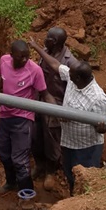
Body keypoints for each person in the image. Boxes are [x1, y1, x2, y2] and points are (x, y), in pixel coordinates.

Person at [29, 38, 106, 196]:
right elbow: (55, 65)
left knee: (85, 179)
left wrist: (102, 127)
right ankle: (73, 199)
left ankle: (84, 206)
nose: (68, 78)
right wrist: (37, 48)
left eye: (71, 77)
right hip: (68, 142)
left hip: (86, 147)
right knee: (70, 174)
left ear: (79, 79)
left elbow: (100, 127)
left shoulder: (98, 98)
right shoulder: (74, 79)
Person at [0, 39, 56, 193]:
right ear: (12, 55)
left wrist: (57, 111)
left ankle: (27, 193)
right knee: (4, 154)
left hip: (23, 119)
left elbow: (45, 94)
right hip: (5, 115)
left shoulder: (34, 70)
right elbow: (2, 80)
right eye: (21, 57)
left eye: (27, 56)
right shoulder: (4, 61)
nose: (25, 60)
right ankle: (11, 183)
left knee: (19, 159)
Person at [32, 27, 79, 191]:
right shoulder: (47, 51)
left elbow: (77, 85)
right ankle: (39, 165)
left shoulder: (69, 61)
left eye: (49, 38)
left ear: (56, 42)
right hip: (38, 100)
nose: (45, 39)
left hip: (55, 104)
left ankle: (51, 171)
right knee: (36, 135)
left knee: (51, 139)